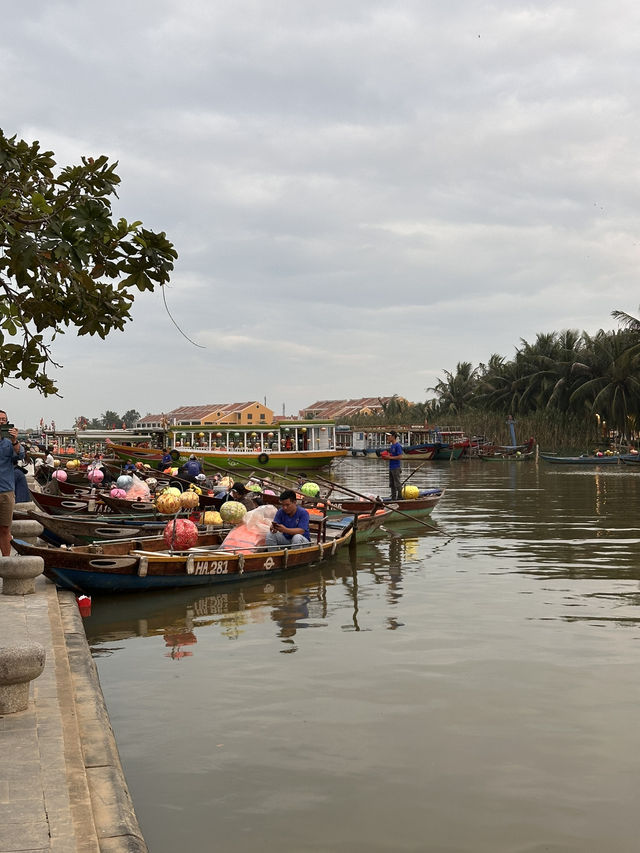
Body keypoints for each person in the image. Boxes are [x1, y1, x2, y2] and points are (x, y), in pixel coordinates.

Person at [0, 410, 24, 556]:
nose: (1, 421)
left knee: (4, 529)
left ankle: (6, 563)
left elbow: (20, 455)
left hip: (6, 491)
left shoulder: (10, 443)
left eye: (3, 419)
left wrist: (15, 440)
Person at [386, 430, 403, 500]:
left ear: (393, 437)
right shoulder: (392, 446)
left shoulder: (397, 446)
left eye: (389, 436)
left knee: (397, 484)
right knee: (392, 484)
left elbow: (400, 456)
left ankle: (400, 497)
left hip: (396, 467)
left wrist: (390, 457)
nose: (387, 437)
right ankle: (393, 498)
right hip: (391, 467)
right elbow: (392, 455)